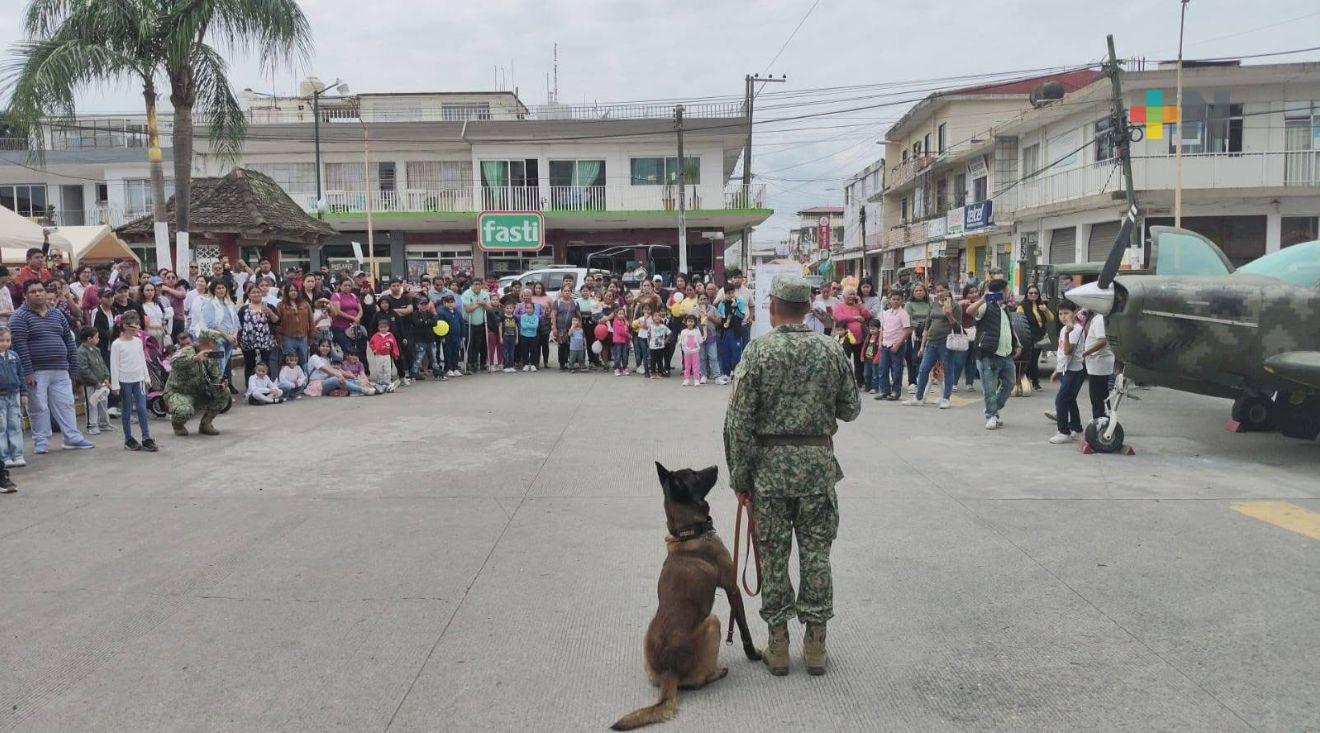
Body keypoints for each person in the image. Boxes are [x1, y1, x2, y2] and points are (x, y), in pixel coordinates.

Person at [723, 273, 860, 677]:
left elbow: (738, 424)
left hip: (769, 473)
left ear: (772, 308)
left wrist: (740, 479)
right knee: (817, 556)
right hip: (816, 469)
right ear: (807, 309)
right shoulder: (830, 350)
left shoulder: (758, 352)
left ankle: (779, 644)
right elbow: (850, 409)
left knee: (774, 556)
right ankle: (816, 645)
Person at [10, 279, 95, 453]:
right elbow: (20, 347)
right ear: (25, 295)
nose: (38, 294)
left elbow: (69, 342)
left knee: (66, 404)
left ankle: (72, 437)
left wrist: (72, 368)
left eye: (40, 290)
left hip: (61, 369)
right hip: (36, 371)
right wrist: (28, 372)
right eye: (33, 291)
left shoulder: (56, 314)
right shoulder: (19, 317)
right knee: (38, 407)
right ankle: (41, 441)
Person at [966, 279, 1021, 430]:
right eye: (1007, 290)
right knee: (989, 388)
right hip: (988, 354)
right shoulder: (986, 306)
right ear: (1000, 292)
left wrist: (1017, 344)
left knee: (1009, 383)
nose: (1009, 293)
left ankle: (993, 409)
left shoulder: (1005, 309)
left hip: (1006, 354)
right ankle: (991, 416)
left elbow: (1009, 328)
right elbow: (970, 311)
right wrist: (983, 298)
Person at [904, 282, 961, 409]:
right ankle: (919, 398)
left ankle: (946, 398)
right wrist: (922, 345)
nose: (940, 293)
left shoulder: (955, 306)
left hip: (946, 343)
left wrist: (950, 316)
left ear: (948, 290)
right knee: (923, 369)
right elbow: (927, 325)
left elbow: (958, 328)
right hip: (931, 341)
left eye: (942, 291)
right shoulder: (934, 304)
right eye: (938, 291)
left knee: (948, 369)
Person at [164, 329, 230, 437]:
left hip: (199, 392)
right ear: (209, 342)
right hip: (179, 393)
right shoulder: (187, 351)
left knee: (224, 392)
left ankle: (206, 424)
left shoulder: (210, 355)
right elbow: (174, 361)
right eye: (215, 343)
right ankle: (178, 426)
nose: (216, 346)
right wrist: (194, 359)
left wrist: (221, 383)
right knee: (183, 410)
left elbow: (215, 376)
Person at [109, 312, 156, 452]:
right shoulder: (117, 344)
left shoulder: (138, 341)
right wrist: (115, 384)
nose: (137, 327)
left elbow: (142, 359)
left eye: (137, 324)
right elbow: (114, 365)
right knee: (127, 409)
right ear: (125, 326)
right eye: (134, 325)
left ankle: (146, 437)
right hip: (124, 381)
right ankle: (128, 438)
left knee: (142, 408)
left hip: (139, 379)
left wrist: (146, 377)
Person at [1049, 300, 1086, 444]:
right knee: (1070, 400)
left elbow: (1067, 351)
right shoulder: (1065, 329)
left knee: (1061, 400)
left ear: (1075, 312)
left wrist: (1067, 334)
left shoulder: (1075, 330)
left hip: (1074, 371)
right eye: (1060, 314)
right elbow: (1061, 354)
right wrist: (1057, 370)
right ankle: (1076, 428)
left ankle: (1063, 431)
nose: (1063, 317)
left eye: (1066, 313)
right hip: (1067, 369)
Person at [238, 283, 281, 386]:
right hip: (248, 342)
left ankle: (267, 385)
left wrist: (270, 313)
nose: (256, 294)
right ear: (248, 295)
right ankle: (250, 387)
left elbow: (277, 321)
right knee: (250, 364)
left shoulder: (269, 306)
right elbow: (238, 325)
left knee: (266, 364)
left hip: (265, 341)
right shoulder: (244, 309)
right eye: (253, 292)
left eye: (258, 292)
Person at [0, 326, 26, 482]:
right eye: (1, 340)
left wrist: (23, 393)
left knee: (15, 424)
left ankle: (17, 454)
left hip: (13, 395)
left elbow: (21, 375)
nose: (4, 343)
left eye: (7, 340)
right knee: (1, 427)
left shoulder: (14, 357)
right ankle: (4, 456)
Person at [874, 292, 911, 401]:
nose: (895, 301)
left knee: (896, 370)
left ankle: (896, 391)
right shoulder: (886, 313)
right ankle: (884, 391)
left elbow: (906, 330)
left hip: (896, 345)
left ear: (901, 301)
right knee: (882, 368)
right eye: (893, 299)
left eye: (898, 299)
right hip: (885, 344)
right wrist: (880, 341)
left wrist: (898, 344)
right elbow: (882, 329)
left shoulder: (903, 314)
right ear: (890, 300)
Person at [75, 326, 112, 435]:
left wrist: (106, 376)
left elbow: (102, 364)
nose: (98, 339)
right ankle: (92, 425)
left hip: (101, 383)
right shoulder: (81, 352)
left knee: (103, 403)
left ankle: (104, 423)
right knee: (92, 404)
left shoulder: (96, 350)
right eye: (96, 337)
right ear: (89, 339)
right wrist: (95, 382)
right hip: (90, 384)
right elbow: (83, 369)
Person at [1016, 285, 1054, 391]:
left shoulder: (1041, 305)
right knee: (1029, 360)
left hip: (1040, 336)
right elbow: (1019, 322)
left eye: (1036, 293)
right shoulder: (1022, 306)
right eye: (1031, 293)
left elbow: (1051, 318)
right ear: (1027, 294)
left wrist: (1045, 310)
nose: (1033, 295)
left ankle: (1034, 382)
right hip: (1028, 337)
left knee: (1034, 360)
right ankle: (1030, 382)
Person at [831, 288, 871, 386]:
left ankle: (860, 381)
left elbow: (867, 315)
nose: (852, 296)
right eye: (850, 294)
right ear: (844, 296)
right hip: (845, 338)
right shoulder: (838, 306)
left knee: (859, 360)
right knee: (845, 360)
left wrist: (860, 304)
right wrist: (855, 318)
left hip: (859, 338)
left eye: (854, 294)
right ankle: (844, 381)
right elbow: (839, 317)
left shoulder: (858, 306)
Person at [1081, 310, 1115, 421]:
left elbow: (1102, 341)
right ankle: (1104, 416)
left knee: (1097, 394)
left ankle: (1100, 418)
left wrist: (1085, 353)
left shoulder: (1100, 319)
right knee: (1101, 392)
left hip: (1099, 361)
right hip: (1096, 362)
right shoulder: (1096, 318)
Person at [903, 283, 932, 393]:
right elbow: (908, 319)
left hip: (928, 333)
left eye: (921, 290)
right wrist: (920, 325)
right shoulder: (909, 304)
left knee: (924, 358)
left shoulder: (929, 304)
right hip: (913, 333)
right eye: (916, 291)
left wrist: (926, 326)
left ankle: (922, 382)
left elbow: (932, 317)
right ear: (913, 293)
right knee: (911, 358)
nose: (919, 292)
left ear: (925, 292)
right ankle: (912, 382)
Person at [460, 279, 490, 372]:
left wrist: (484, 304)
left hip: (481, 323)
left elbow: (489, 309)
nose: (477, 286)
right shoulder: (466, 294)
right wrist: (478, 303)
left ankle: (480, 363)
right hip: (468, 323)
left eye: (479, 284)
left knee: (480, 344)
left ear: (482, 285)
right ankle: (470, 363)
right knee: (470, 344)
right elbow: (468, 309)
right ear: (472, 285)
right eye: (475, 284)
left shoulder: (485, 294)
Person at [368, 318, 401, 387]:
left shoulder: (390, 335)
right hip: (378, 355)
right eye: (381, 327)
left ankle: (387, 382)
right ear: (378, 328)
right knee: (379, 369)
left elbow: (394, 345)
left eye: (385, 327)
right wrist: (374, 349)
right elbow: (371, 343)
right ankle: (380, 382)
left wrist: (395, 354)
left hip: (387, 355)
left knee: (387, 369)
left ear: (388, 327)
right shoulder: (376, 335)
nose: (383, 329)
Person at [678, 314, 703, 386]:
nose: (690, 323)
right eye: (689, 321)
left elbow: (700, 341)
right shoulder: (683, 332)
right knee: (687, 366)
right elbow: (681, 340)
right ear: (686, 322)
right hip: (686, 352)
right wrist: (681, 344)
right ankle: (686, 379)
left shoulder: (697, 331)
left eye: (692, 321)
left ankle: (696, 379)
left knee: (696, 366)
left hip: (695, 352)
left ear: (695, 322)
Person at [517, 298, 540, 372]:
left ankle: (533, 364)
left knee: (533, 351)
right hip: (524, 336)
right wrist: (530, 325)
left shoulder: (536, 317)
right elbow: (523, 326)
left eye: (530, 308)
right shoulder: (523, 316)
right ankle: (526, 364)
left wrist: (528, 325)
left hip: (533, 336)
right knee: (525, 351)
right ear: (525, 309)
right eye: (527, 308)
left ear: (533, 309)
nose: (529, 309)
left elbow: (535, 326)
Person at [646, 311, 670, 380]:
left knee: (659, 360)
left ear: (660, 318)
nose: (657, 317)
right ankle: (653, 373)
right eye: (655, 316)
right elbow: (648, 335)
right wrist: (648, 343)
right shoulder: (651, 326)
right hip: (652, 346)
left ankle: (660, 373)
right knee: (652, 360)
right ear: (652, 318)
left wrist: (665, 341)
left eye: (658, 316)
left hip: (661, 346)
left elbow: (669, 333)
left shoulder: (663, 326)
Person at [861, 322, 881, 394]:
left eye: (873, 329)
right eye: (870, 329)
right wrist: (862, 355)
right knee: (866, 374)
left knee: (875, 374)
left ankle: (875, 387)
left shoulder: (879, 337)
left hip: (874, 359)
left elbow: (879, 349)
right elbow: (864, 346)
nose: (871, 330)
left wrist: (877, 358)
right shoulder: (869, 336)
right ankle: (867, 387)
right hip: (867, 358)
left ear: (878, 329)